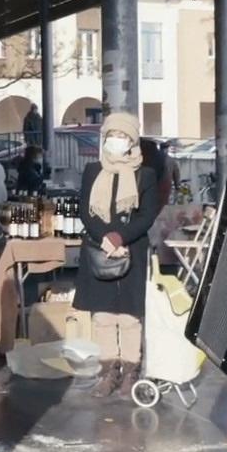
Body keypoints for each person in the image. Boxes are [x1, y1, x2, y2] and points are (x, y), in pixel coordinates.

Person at [72, 112, 159, 399]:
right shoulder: (92, 171)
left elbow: (147, 215)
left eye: (122, 136)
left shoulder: (145, 174)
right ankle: (108, 371)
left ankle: (131, 370)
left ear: (133, 141)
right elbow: (85, 211)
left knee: (130, 317)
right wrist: (106, 238)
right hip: (99, 249)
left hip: (131, 247)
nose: (115, 141)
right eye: (111, 136)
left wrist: (121, 237)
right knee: (104, 316)